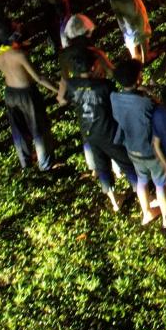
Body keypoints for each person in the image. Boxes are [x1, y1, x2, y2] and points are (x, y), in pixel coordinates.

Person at [58, 45, 136, 212]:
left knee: (102, 166)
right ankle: (142, 192)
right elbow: (115, 103)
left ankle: (114, 201)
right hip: (108, 131)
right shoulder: (104, 85)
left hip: (88, 132)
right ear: (93, 66)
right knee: (126, 162)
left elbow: (62, 101)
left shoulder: (70, 84)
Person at [0, 21, 59, 171]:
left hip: (10, 93)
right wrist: (58, 89)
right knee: (38, 127)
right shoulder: (18, 54)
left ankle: (25, 161)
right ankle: (46, 164)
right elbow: (38, 77)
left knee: (18, 128)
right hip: (27, 93)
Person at [110, 58, 166, 227]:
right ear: (138, 79)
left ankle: (146, 213)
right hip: (151, 151)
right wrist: (150, 94)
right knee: (160, 184)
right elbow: (160, 109)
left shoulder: (114, 98)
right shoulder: (145, 103)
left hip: (132, 150)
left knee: (142, 180)